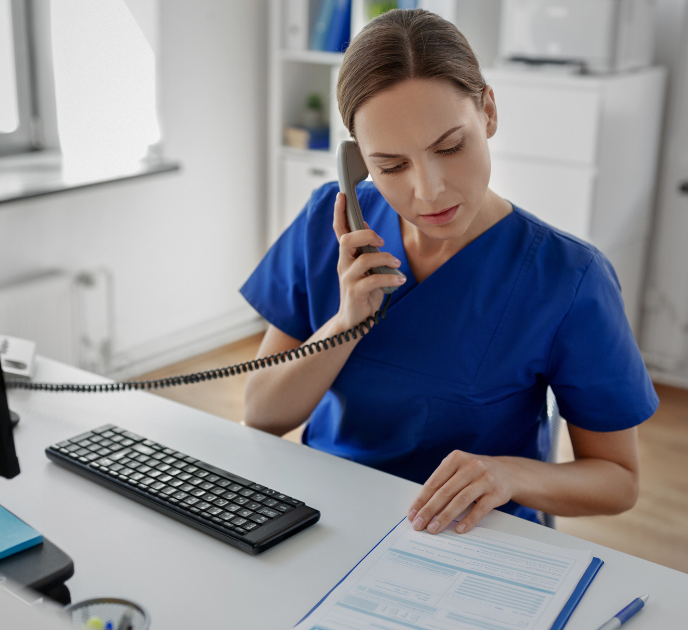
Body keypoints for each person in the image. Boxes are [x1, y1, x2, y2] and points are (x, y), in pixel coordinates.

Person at [240, 9, 658, 533]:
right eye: (391, 166)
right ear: (359, 162)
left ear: (487, 111)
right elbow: (261, 414)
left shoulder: (568, 278)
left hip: (473, 537)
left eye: (450, 147)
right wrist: (345, 322)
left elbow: (619, 480)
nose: (428, 190)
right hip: (329, 519)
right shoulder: (330, 227)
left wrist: (507, 476)